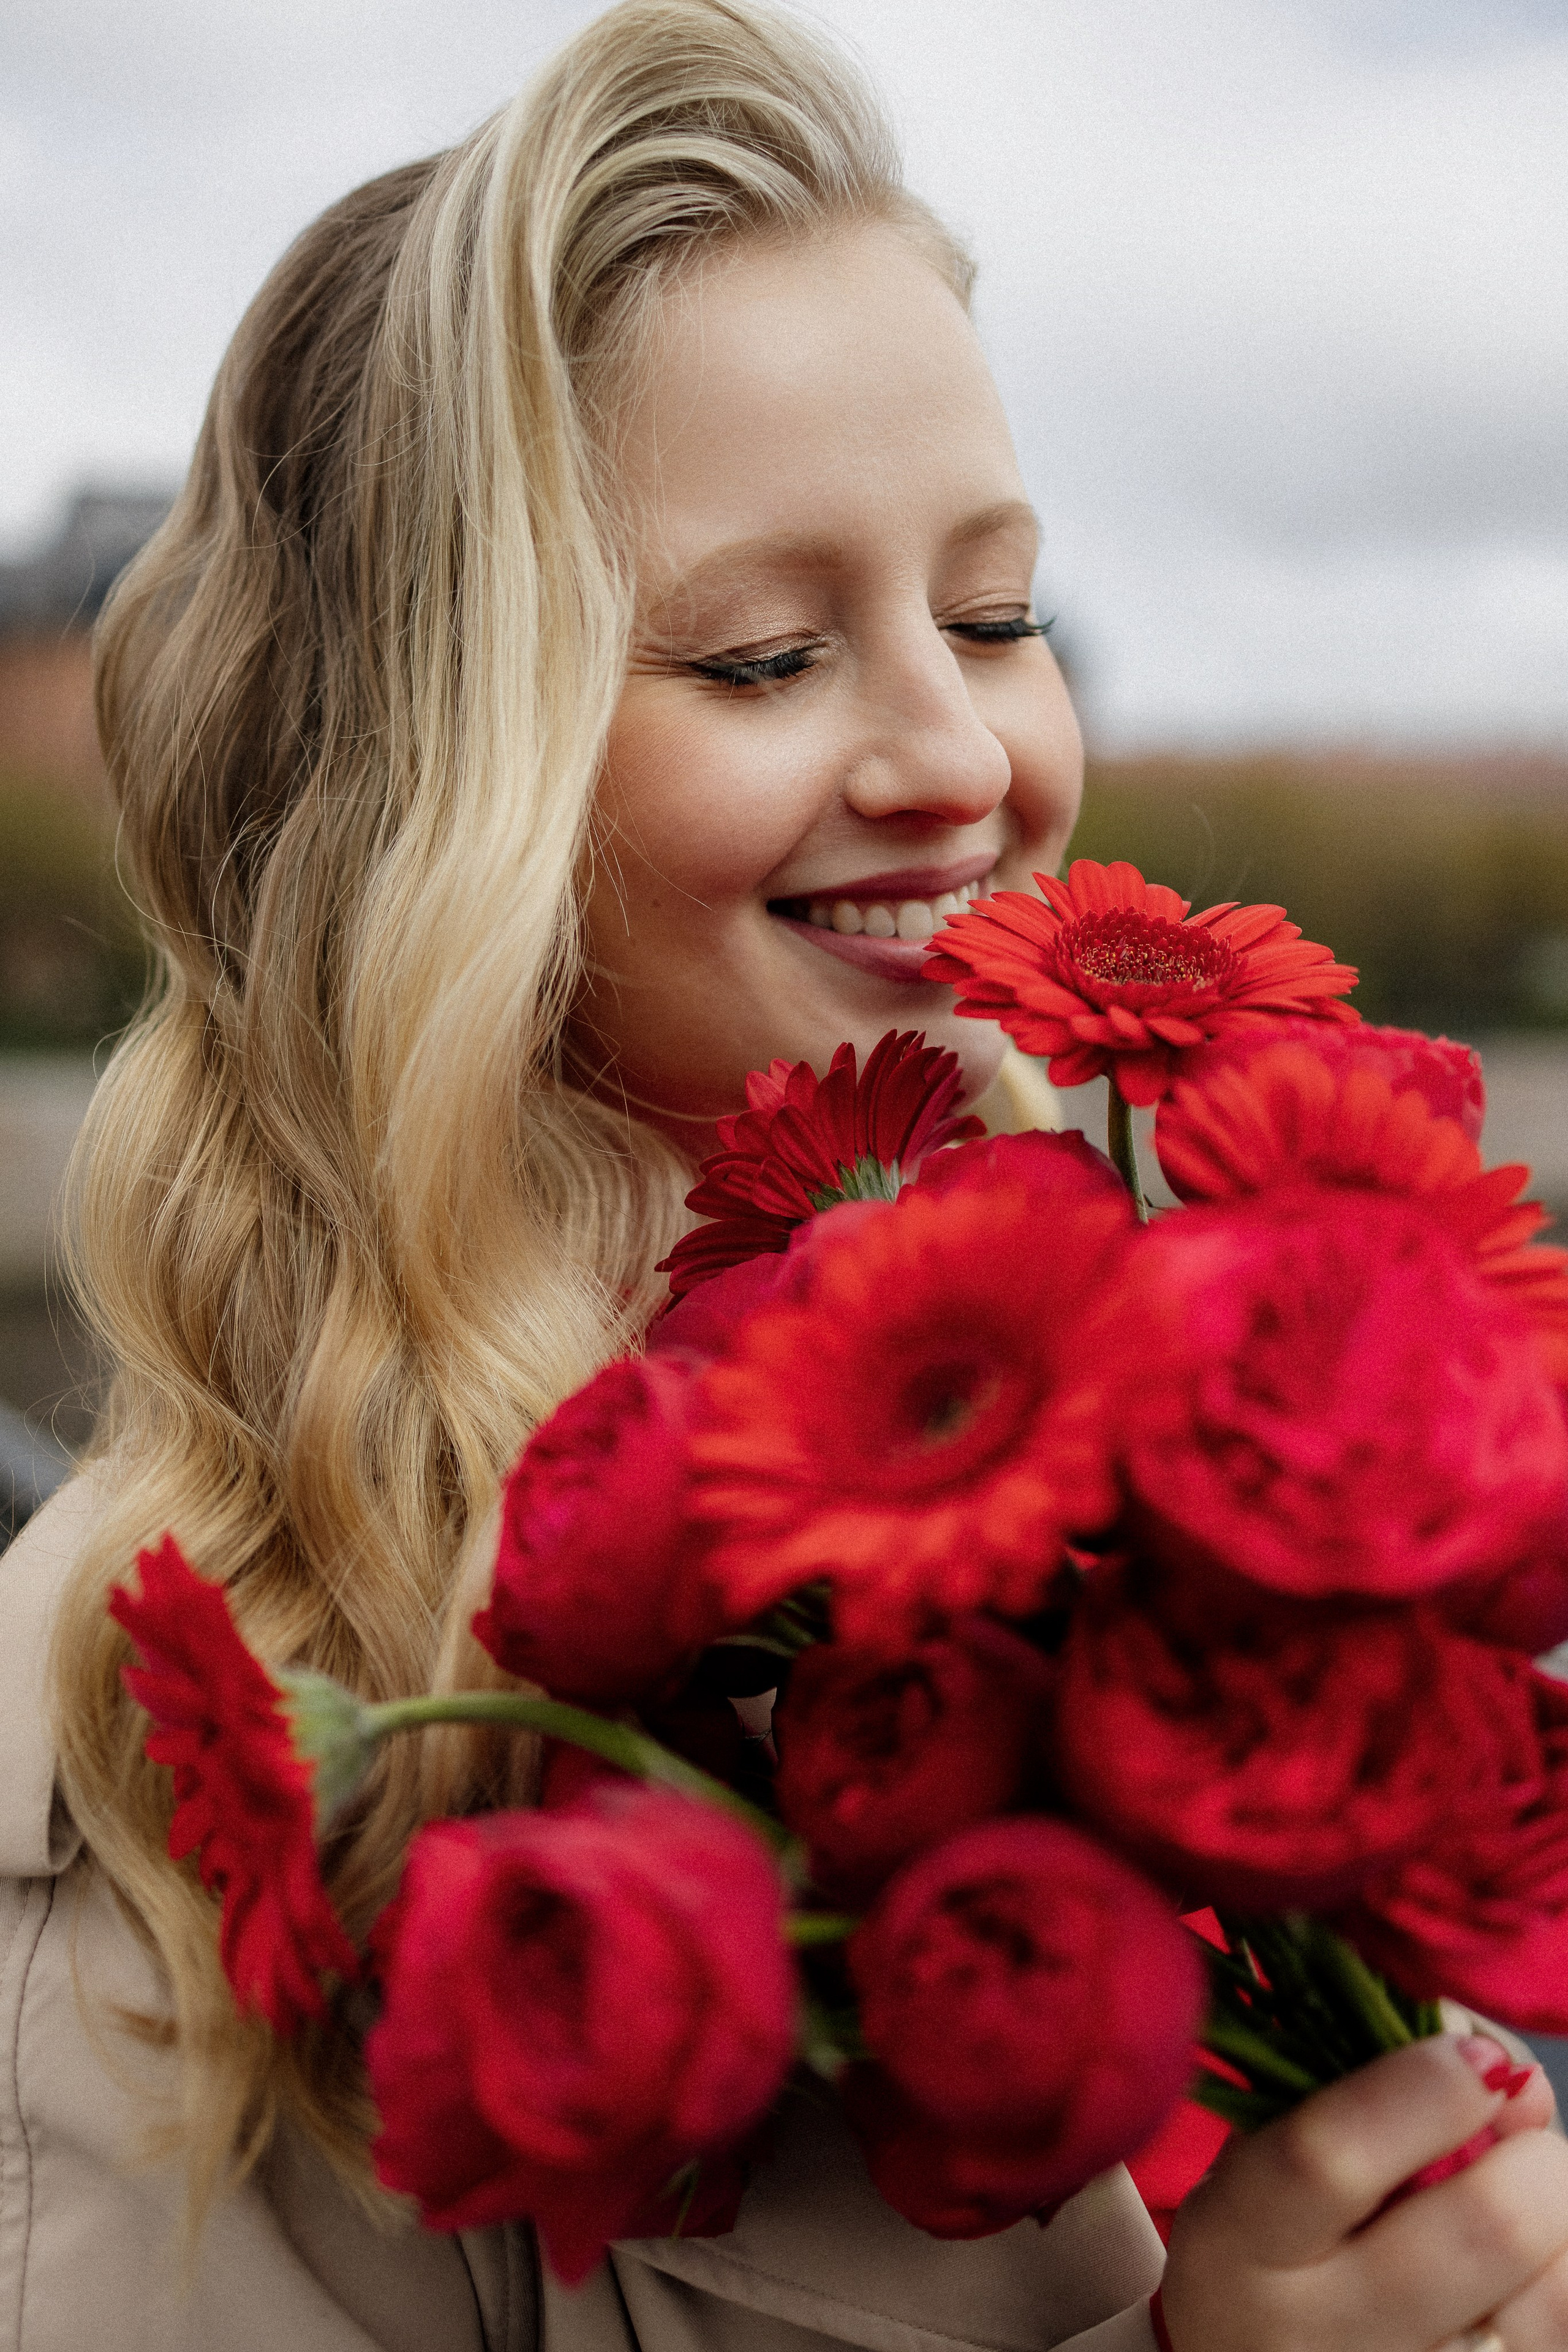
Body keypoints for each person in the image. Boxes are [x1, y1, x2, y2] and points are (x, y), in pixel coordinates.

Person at [3, 4, 1567, 2347]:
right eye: (763, 657)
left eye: (1000, 617)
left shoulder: (1158, 1474)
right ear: (414, 792)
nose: (969, 760)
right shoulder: (152, 1853)